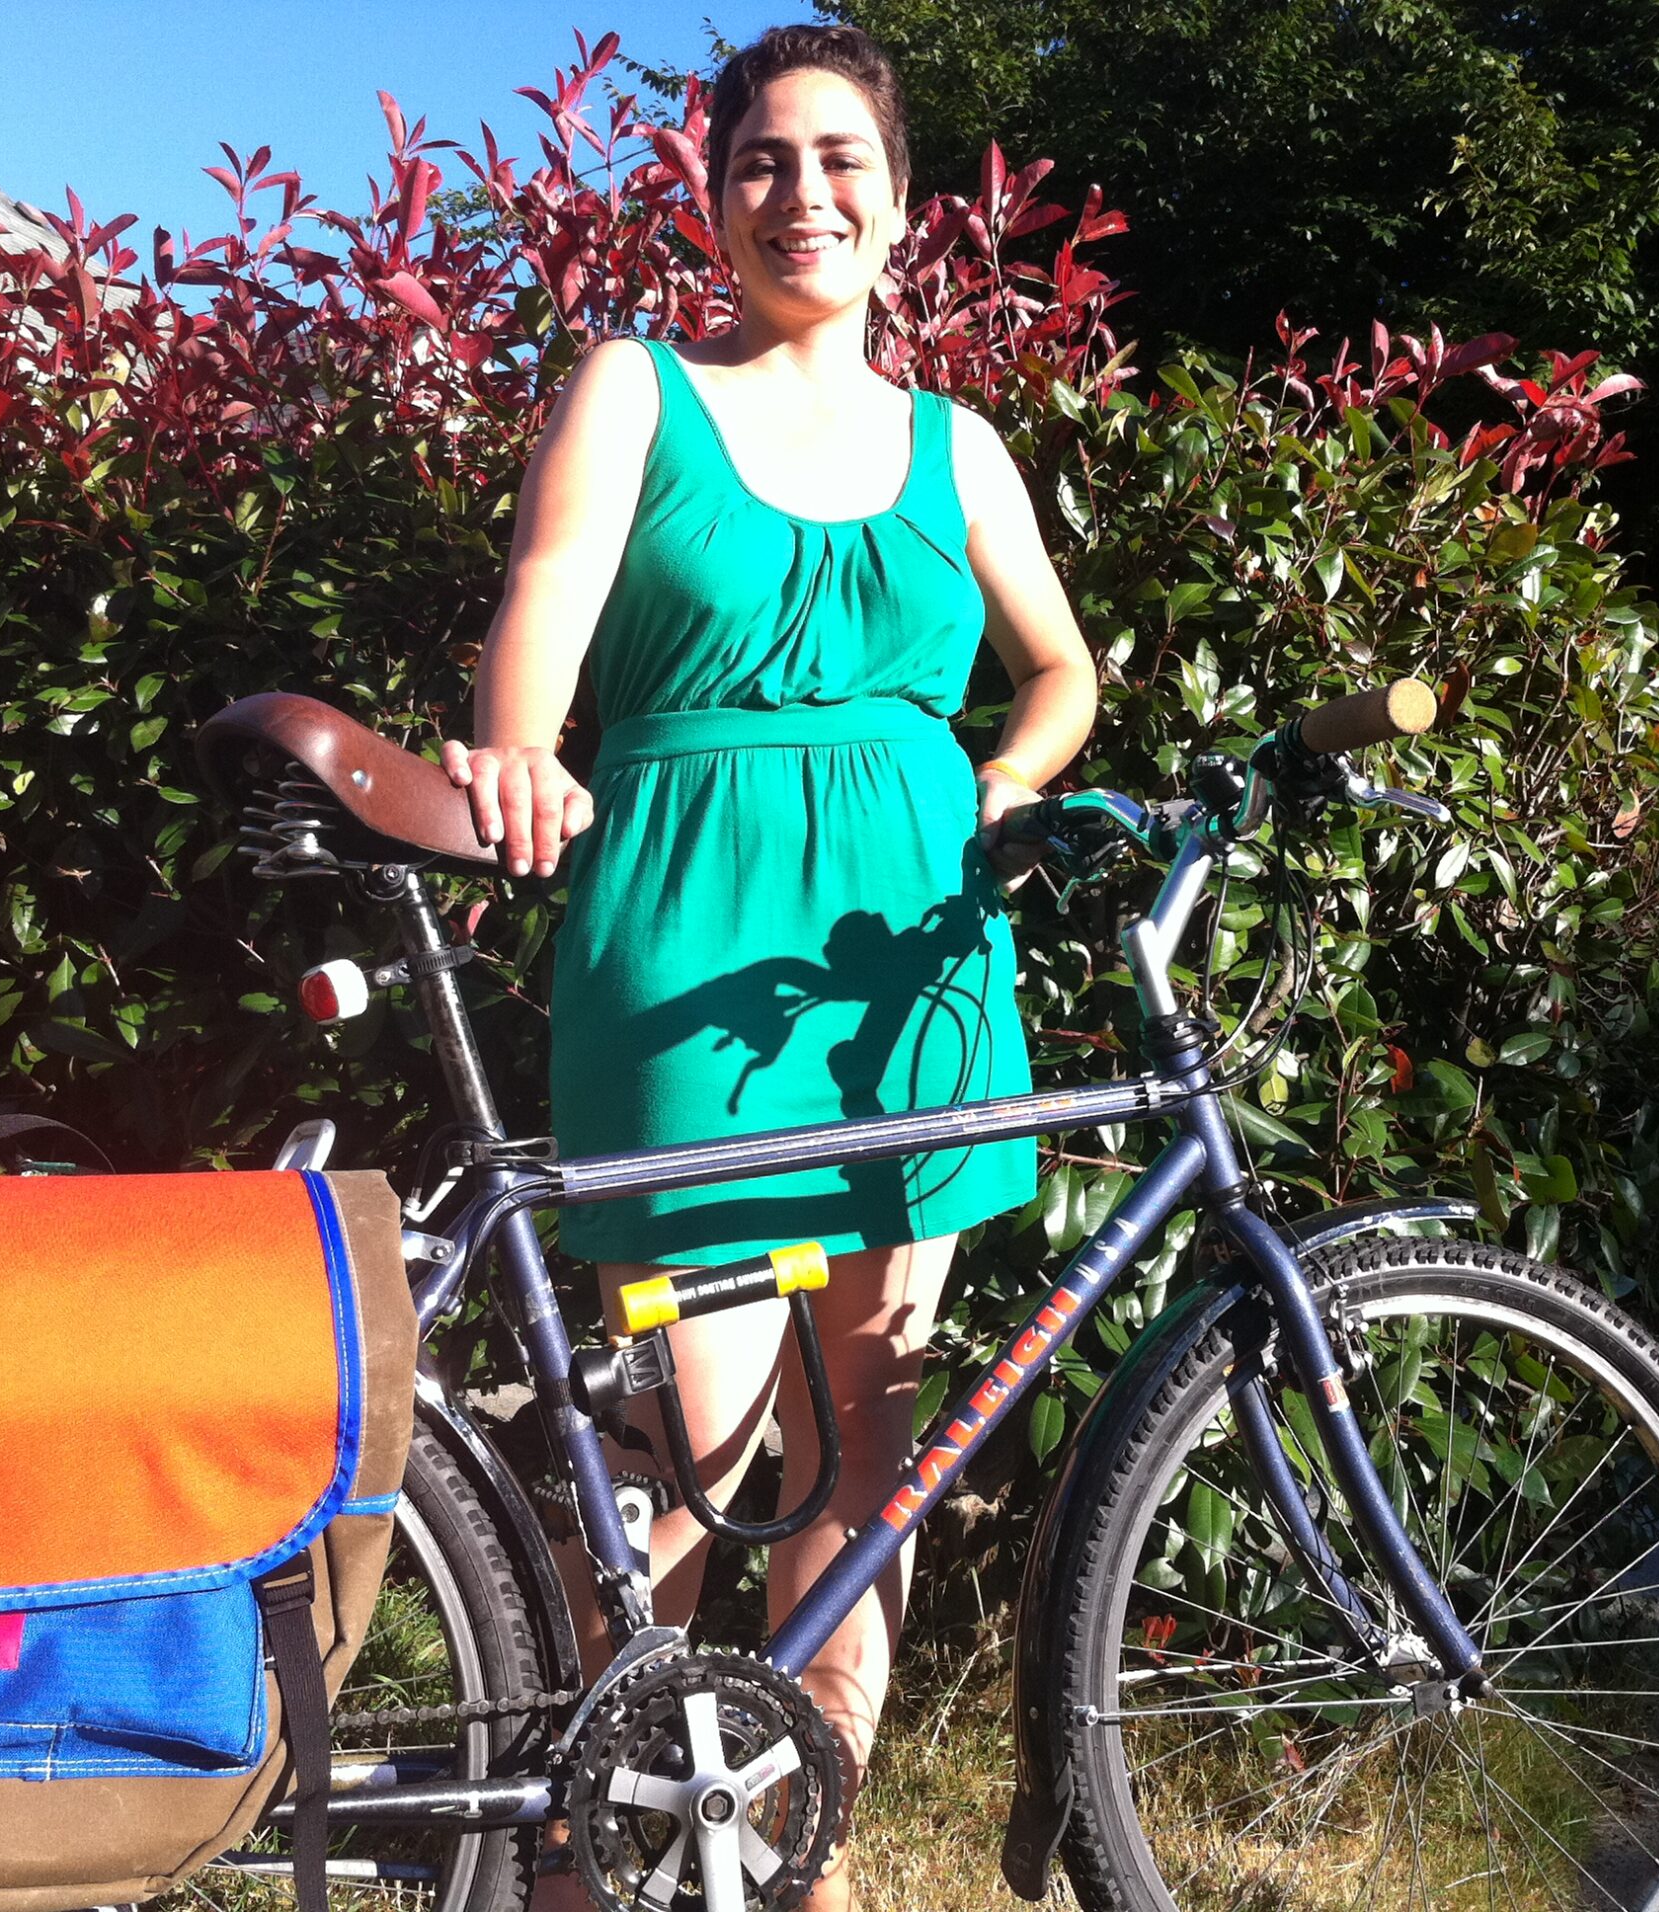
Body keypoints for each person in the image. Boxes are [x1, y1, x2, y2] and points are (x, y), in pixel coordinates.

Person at [441, 23, 1097, 1906]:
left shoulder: (959, 447)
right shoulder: (636, 392)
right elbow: (544, 606)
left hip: (912, 967)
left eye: (841, 162)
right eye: (761, 160)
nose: (800, 193)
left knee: (865, 1459)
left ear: (902, 207)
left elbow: (1062, 667)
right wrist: (522, 743)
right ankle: (589, 1861)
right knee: (684, 1461)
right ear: (712, 193)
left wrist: (1000, 783)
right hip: (692, 948)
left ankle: (785, 1870)